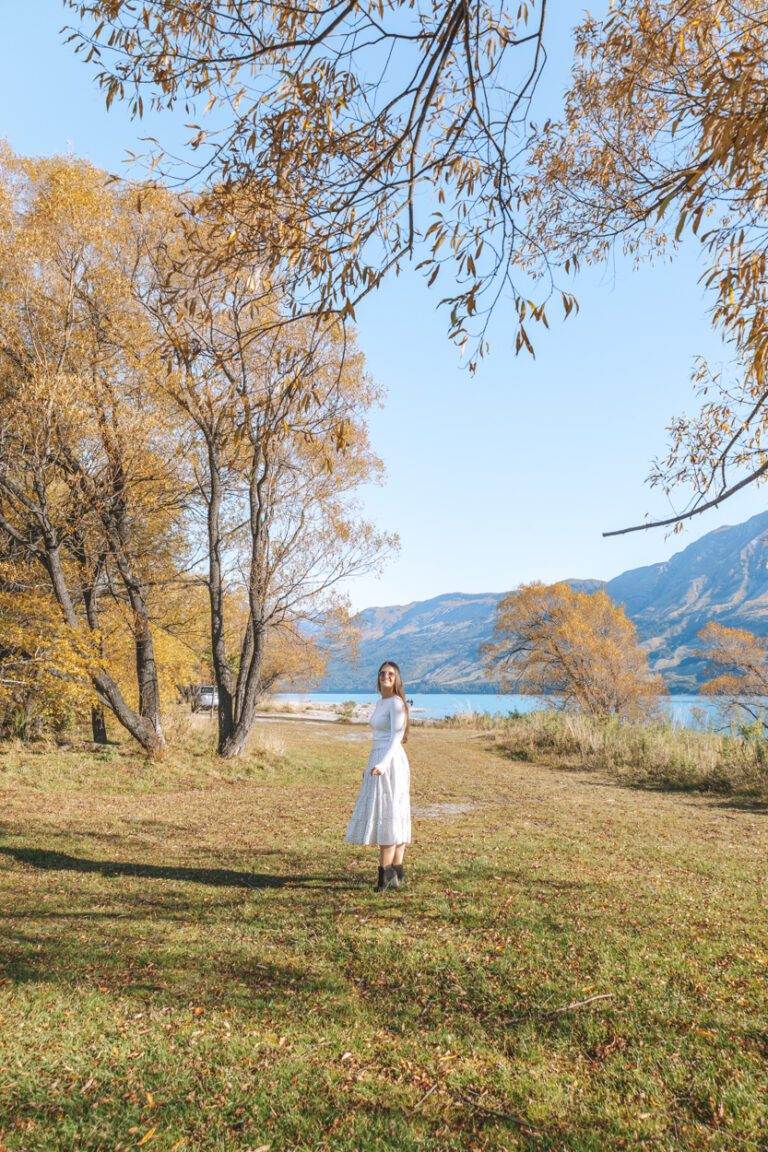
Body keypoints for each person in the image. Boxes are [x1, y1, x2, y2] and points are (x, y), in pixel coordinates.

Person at [345, 660, 412, 892]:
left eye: (391, 673)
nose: (386, 676)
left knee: (390, 812)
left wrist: (383, 763)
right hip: (378, 756)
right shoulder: (381, 702)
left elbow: (396, 736)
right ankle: (396, 873)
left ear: (397, 678)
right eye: (382, 673)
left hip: (391, 761)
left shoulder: (396, 703)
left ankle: (384, 877)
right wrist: (372, 763)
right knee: (393, 811)